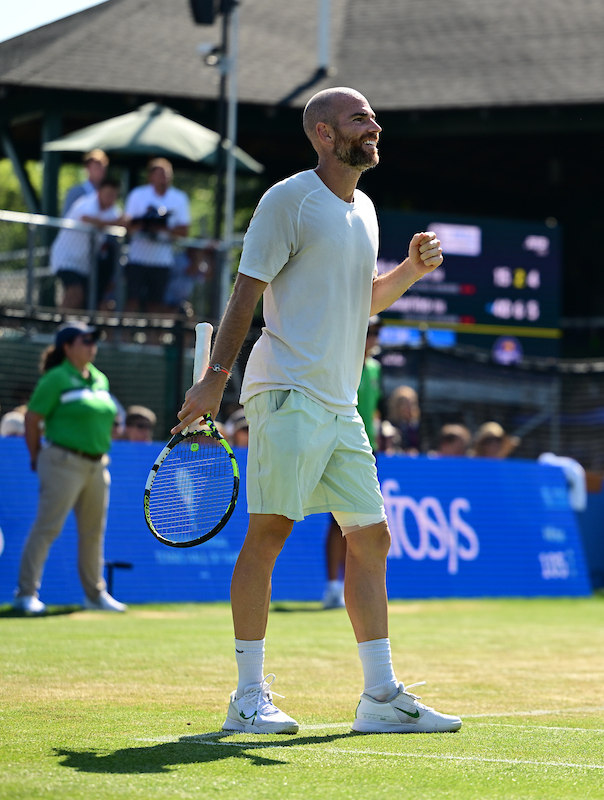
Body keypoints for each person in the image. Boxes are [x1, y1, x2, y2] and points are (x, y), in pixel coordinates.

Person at [172, 87, 460, 735]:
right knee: (271, 532)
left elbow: (361, 302)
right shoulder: (288, 199)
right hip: (288, 393)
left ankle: (380, 698)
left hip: (340, 403)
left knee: (371, 538)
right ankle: (248, 698)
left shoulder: (365, 208)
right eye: (360, 118)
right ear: (325, 135)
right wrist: (215, 379)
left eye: (373, 116)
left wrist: (409, 271)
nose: (374, 124)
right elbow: (246, 293)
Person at [13, 322, 125, 616]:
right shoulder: (55, 378)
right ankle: (26, 594)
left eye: (94, 340)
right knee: (48, 527)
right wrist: (38, 456)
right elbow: (32, 419)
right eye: (85, 340)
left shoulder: (100, 379)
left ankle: (95, 595)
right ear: (67, 347)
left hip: (98, 464)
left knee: (93, 533)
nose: (92, 345)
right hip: (62, 461)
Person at [323, 316, 384, 610]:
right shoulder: (341, 359)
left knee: (362, 525)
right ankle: (334, 587)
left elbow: (373, 410)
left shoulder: (374, 368)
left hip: (365, 450)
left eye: (377, 332)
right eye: (370, 331)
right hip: (337, 447)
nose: (374, 338)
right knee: (339, 523)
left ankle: (352, 589)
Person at [123, 158, 191, 313]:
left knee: (156, 303)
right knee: (132, 300)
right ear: (151, 176)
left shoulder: (179, 198)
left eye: (167, 174)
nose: (164, 178)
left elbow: (184, 231)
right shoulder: (138, 195)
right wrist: (146, 221)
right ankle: (124, 336)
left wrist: (162, 227)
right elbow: (128, 224)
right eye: (160, 174)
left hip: (162, 261)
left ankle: (152, 337)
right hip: (137, 258)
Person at [50, 177, 123, 310]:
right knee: (75, 293)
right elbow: (88, 219)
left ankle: (75, 328)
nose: (110, 198)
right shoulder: (86, 203)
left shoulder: (113, 211)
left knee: (84, 301)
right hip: (66, 259)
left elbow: (124, 221)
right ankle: (61, 328)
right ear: (99, 192)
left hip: (85, 264)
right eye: (108, 194)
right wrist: (116, 223)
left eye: (113, 195)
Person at [62, 149, 109, 216]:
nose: (101, 170)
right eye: (96, 166)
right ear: (87, 168)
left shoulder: (108, 194)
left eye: (103, 166)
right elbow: (66, 220)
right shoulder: (75, 192)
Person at [386, 384, 421, 454]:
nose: (409, 407)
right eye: (404, 403)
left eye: (412, 403)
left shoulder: (420, 428)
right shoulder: (388, 427)